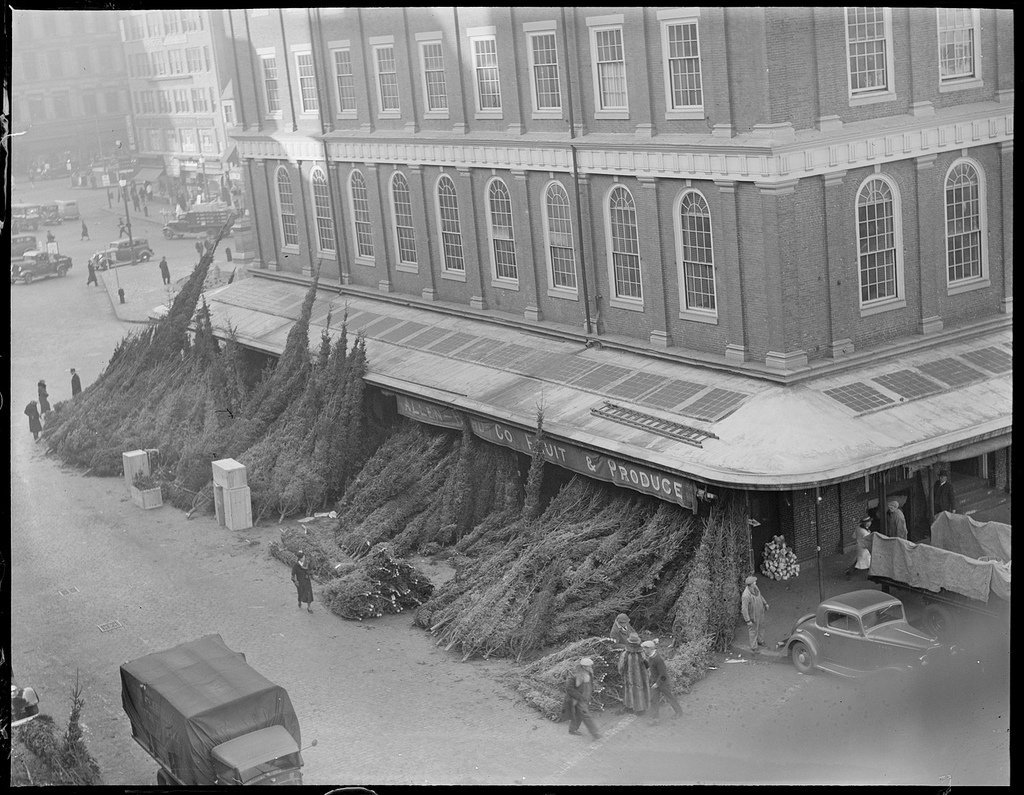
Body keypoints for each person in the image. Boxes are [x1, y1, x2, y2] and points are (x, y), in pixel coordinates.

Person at [641, 640, 682, 723]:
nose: (643, 651)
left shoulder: (658, 659)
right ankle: (655, 718)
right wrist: (644, 663)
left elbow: (663, 674)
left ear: (649, 649)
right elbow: (651, 667)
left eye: (644, 649)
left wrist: (657, 683)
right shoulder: (651, 657)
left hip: (663, 683)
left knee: (670, 698)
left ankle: (679, 712)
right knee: (654, 700)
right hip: (655, 682)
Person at [563, 658, 601, 740]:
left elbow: (589, 684)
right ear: (583, 666)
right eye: (588, 666)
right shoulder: (574, 675)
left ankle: (573, 729)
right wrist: (580, 697)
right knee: (586, 715)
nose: (590, 667)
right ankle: (595, 733)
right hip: (578, 699)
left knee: (578, 715)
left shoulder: (589, 672)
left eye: (590, 666)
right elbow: (569, 688)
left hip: (585, 698)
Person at [617, 633, 650, 715]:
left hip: (629, 677)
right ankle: (641, 709)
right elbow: (648, 664)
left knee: (629, 691)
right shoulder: (642, 653)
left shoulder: (625, 654)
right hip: (641, 677)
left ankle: (630, 707)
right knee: (640, 691)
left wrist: (621, 673)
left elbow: (621, 666)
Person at [741, 575, 769, 653]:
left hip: (760, 612)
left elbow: (760, 596)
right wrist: (748, 620)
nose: (755, 582)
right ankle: (754, 647)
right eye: (754, 582)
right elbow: (744, 609)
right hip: (753, 616)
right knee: (753, 631)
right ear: (751, 584)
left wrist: (765, 603)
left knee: (761, 627)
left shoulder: (755, 588)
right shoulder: (746, 595)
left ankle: (760, 640)